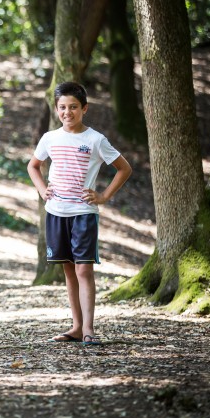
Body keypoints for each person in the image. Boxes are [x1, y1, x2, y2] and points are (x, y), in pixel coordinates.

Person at [27, 81, 131, 346]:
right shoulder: (50, 138)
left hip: (83, 214)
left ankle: (89, 329)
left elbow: (124, 168)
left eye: (73, 107)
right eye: (62, 107)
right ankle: (75, 327)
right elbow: (33, 166)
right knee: (69, 270)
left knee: (84, 270)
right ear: (56, 109)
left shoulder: (95, 140)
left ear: (84, 108)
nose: (67, 112)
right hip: (56, 213)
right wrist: (42, 190)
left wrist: (104, 196)